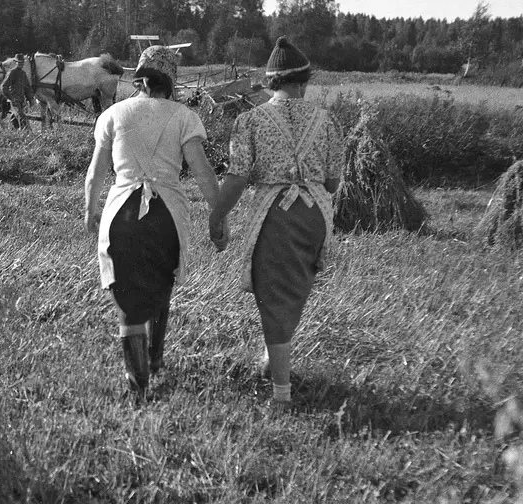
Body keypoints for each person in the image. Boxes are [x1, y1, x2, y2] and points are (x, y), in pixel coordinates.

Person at [208, 36, 343, 409]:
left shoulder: (250, 121)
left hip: (275, 215)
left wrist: (217, 215)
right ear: (303, 82)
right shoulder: (328, 120)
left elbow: (237, 177)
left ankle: (282, 395)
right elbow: (333, 183)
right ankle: (272, 357)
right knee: (293, 289)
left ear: (271, 82)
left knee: (275, 298)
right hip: (315, 216)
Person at [84, 45, 219, 400]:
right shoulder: (184, 117)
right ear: (170, 82)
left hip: (121, 216)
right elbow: (203, 173)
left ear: (140, 78)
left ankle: (138, 386)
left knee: (128, 303)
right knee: (161, 285)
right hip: (166, 217)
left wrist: (90, 211)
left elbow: (95, 173)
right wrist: (218, 215)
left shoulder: (113, 114)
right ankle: (155, 358)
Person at [0, 53, 35, 130]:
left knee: (16, 119)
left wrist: (31, 100)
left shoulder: (23, 74)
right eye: (19, 62)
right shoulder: (12, 73)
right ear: (16, 62)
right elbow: (3, 87)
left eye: (22, 63)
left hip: (21, 101)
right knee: (23, 120)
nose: (21, 64)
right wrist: (11, 98)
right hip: (14, 101)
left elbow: (27, 88)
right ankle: (28, 133)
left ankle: (14, 131)